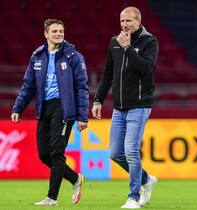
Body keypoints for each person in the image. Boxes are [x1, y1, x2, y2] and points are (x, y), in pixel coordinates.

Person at [11, 19, 89, 206]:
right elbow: (28, 85)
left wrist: (82, 116)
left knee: (56, 153)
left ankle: (51, 197)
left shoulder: (73, 56)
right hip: (44, 108)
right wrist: (17, 108)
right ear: (46, 34)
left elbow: (82, 87)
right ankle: (75, 178)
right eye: (54, 31)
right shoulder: (37, 56)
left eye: (61, 31)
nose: (59, 34)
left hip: (63, 108)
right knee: (44, 155)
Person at [91, 6, 159, 209]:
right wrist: (98, 100)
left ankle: (134, 197)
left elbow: (146, 69)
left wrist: (128, 48)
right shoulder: (115, 42)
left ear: (139, 21)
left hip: (139, 105)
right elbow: (108, 73)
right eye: (122, 21)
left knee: (130, 151)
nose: (125, 25)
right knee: (114, 153)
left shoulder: (150, 41)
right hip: (119, 107)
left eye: (129, 21)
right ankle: (146, 179)